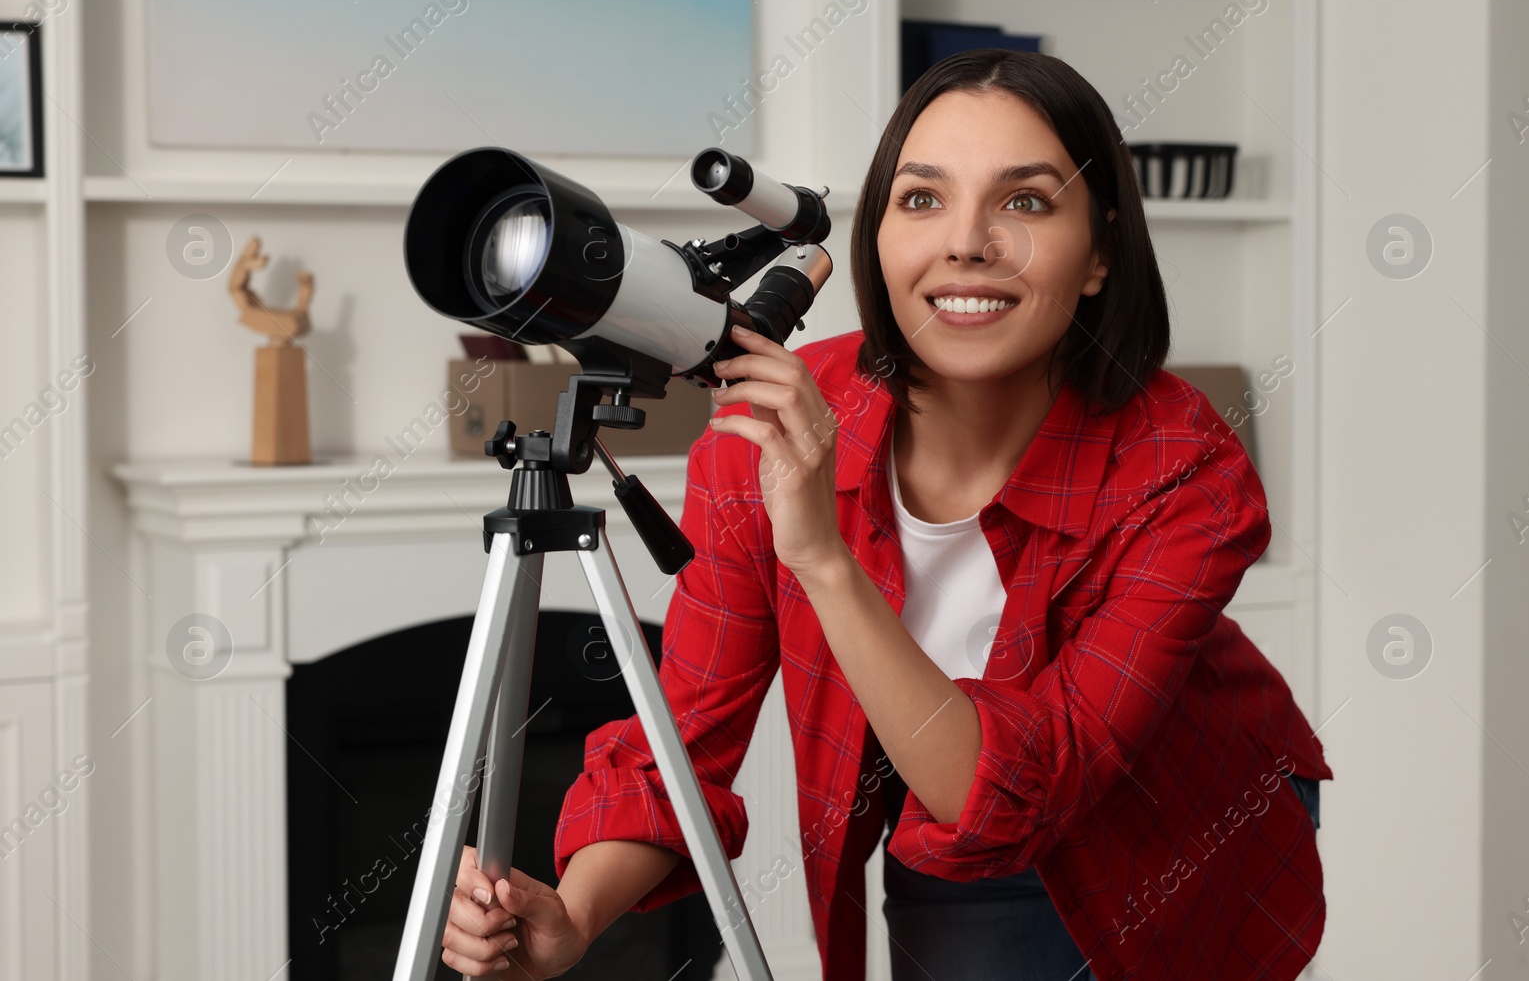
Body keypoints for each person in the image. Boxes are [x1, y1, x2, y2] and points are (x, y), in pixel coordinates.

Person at [438, 49, 1333, 981]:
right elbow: (687, 737)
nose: (966, 242)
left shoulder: (1184, 466)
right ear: (878, 241)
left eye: (1024, 201)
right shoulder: (773, 435)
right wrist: (572, 915)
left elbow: (1040, 780)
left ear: (1102, 251)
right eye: (922, 199)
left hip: (1173, 822)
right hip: (950, 819)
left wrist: (824, 558)